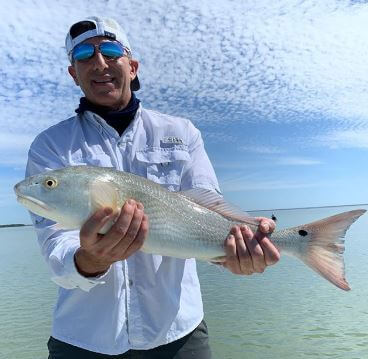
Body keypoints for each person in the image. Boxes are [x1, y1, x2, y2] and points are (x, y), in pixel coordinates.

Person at [26, 16, 280, 359]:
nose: (99, 63)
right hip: (83, 339)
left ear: (132, 67)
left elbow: (208, 211)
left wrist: (234, 255)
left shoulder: (181, 131)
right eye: (84, 54)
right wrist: (89, 260)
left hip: (179, 333)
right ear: (74, 73)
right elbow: (54, 242)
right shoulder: (50, 146)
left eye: (111, 51)